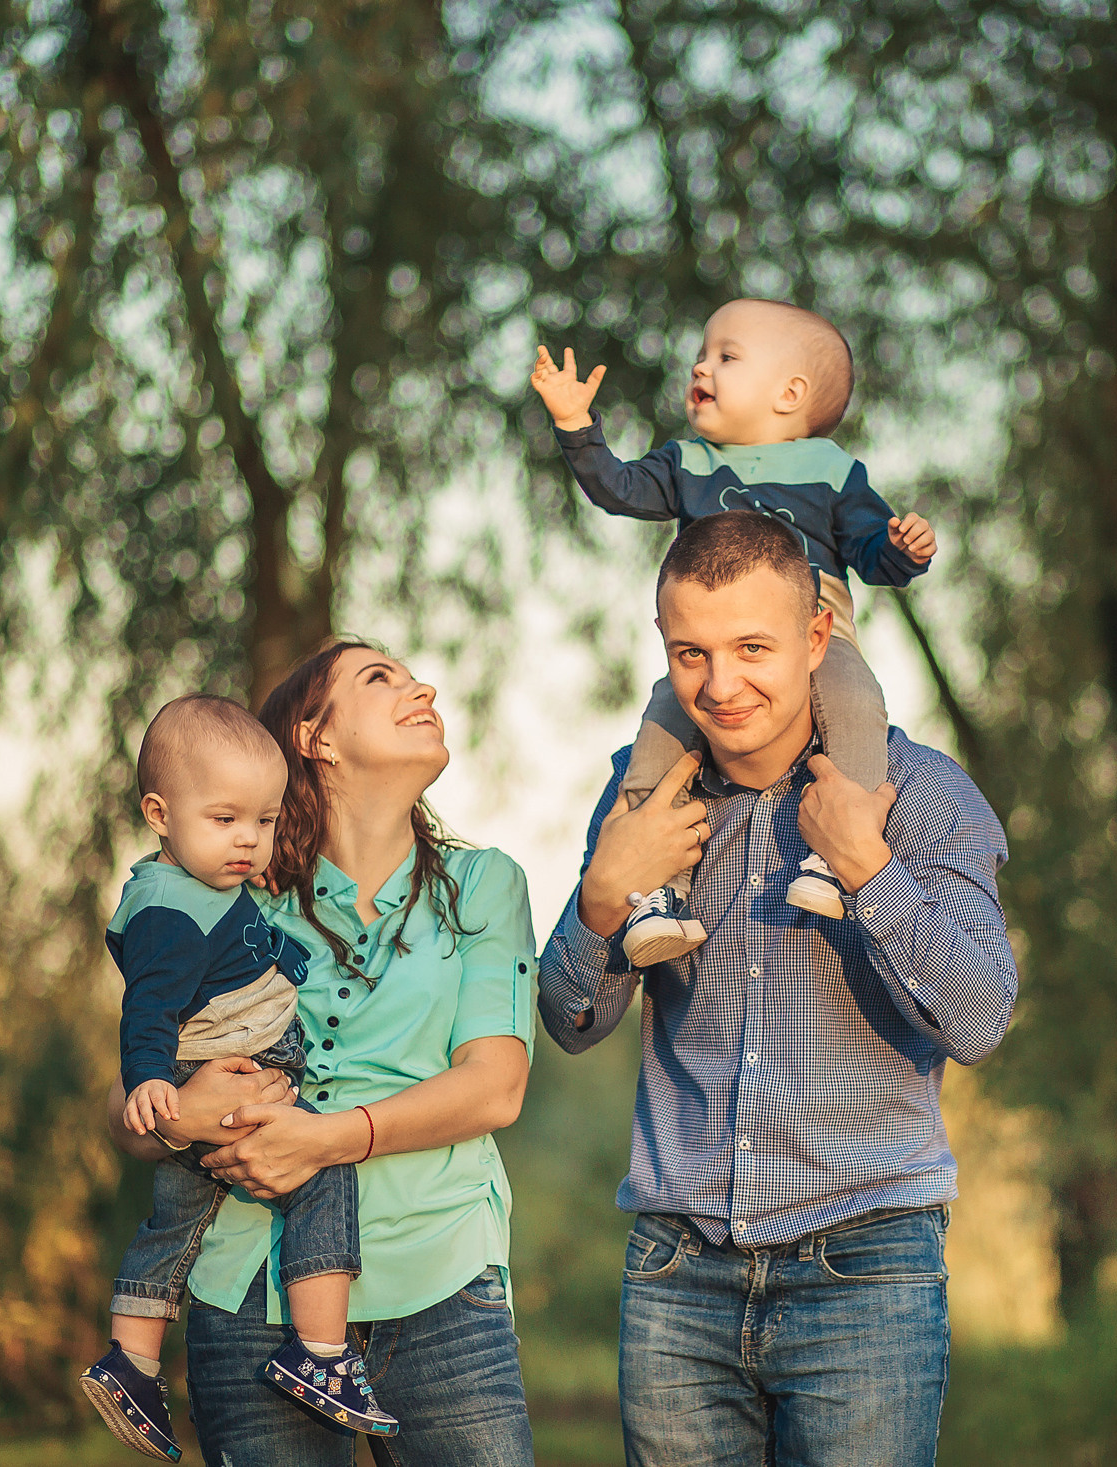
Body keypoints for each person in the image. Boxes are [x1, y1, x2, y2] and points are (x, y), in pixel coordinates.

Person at [537, 510, 1017, 1467]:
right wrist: (599, 901)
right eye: (690, 653)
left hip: (867, 1271)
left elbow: (981, 1014)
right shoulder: (641, 800)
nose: (720, 686)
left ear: (815, 638)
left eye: (752, 647)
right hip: (678, 1272)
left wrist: (871, 871)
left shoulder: (919, 794)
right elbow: (571, 1017)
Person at [105, 642, 537, 1467]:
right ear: (315, 737)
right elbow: (137, 1099)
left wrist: (322, 1139)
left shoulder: (485, 884)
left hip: (441, 1278)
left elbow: (494, 1088)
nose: (424, 686)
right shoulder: (230, 895)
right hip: (247, 1286)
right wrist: (180, 1113)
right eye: (382, 678)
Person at [530, 298, 940, 968]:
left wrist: (904, 547)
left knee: (856, 705)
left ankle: (838, 855)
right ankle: (654, 896)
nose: (702, 364)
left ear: (790, 393)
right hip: (715, 636)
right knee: (658, 741)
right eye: (702, 351)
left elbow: (871, 552)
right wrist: (577, 425)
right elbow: (620, 488)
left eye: (727, 355)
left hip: (815, 622)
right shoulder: (687, 462)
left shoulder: (829, 469)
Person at [82, 695, 394, 1461]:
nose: (247, 841)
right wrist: (153, 1085)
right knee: (323, 1173)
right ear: (159, 812)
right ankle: (319, 1353)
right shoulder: (168, 911)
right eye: (224, 820)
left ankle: (132, 1361)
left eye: (262, 819)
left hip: (217, 1076)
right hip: (213, 1079)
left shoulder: (204, 888)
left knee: (177, 1222)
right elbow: (149, 1007)